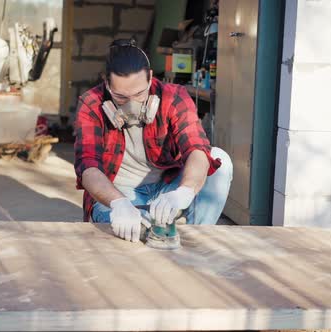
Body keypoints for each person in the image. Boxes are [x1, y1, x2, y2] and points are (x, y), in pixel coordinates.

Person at [74, 38, 233, 242]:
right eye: (121, 97)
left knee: (220, 160)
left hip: (167, 187)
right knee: (134, 233)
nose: (131, 104)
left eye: (139, 94)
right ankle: (136, 219)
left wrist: (184, 191)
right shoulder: (92, 103)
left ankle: (197, 236)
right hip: (119, 193)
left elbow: (196, 148)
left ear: (150, 78)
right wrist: (118, 203)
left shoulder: (173, 97)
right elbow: (88, 168)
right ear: (107, 83)